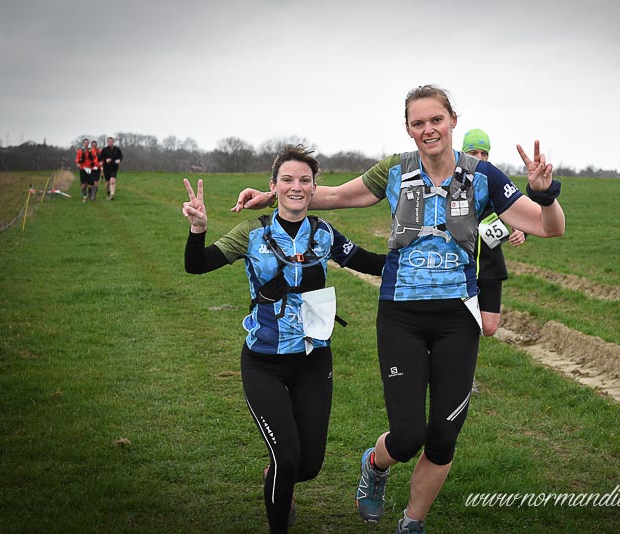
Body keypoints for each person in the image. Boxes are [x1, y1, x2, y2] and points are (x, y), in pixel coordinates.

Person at [232, 85, 565, 534]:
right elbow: (334, 196)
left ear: (452, 121)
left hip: (457, 319)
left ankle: (412, 522)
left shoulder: (483, 174)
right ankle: (375, 464)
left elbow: (549, 227)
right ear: (408, 129)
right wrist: (274, 195)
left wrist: (545, 194)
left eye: (436, 120)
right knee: (408, 437)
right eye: (418, 123)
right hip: (401, 316)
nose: (428, 129)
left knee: (443, 437)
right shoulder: (395, 169)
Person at [183, 144, 384, 534]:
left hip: (313, 359)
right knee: (288, 457)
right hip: (264, 362)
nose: (296, 186)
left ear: (313, 188)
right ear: (273, 187)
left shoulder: (324, 234)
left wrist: (422, 251)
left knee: (308, 466)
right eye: (287, 179)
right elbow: (196, 265)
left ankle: (274, 476)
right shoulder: (251, 233)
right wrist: (198, 229)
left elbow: (371, 263)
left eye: (304, 180)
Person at [461, 128, 526, 337]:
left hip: (490, 266)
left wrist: (521, 231)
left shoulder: (494, 180)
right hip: (459, 266)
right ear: (463, 154)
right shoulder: (452, 181)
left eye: (484, 153)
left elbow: (520, 211)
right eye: (473, 153)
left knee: (489, 327)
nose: (480, 158)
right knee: (460, 324)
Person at [75, 138, 95, 203]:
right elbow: (77, 159)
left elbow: (95, 158)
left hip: (90, 169)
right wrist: (78, 163)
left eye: (87, 143)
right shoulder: (80, 151)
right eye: (85, 143)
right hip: (83, 169)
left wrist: (94, 163)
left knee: (90, 185)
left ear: (89, 143)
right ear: (83, 143)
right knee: (83, 184)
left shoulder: (92, 150)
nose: (86, 144)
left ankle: (90, 193)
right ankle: (84, 197)